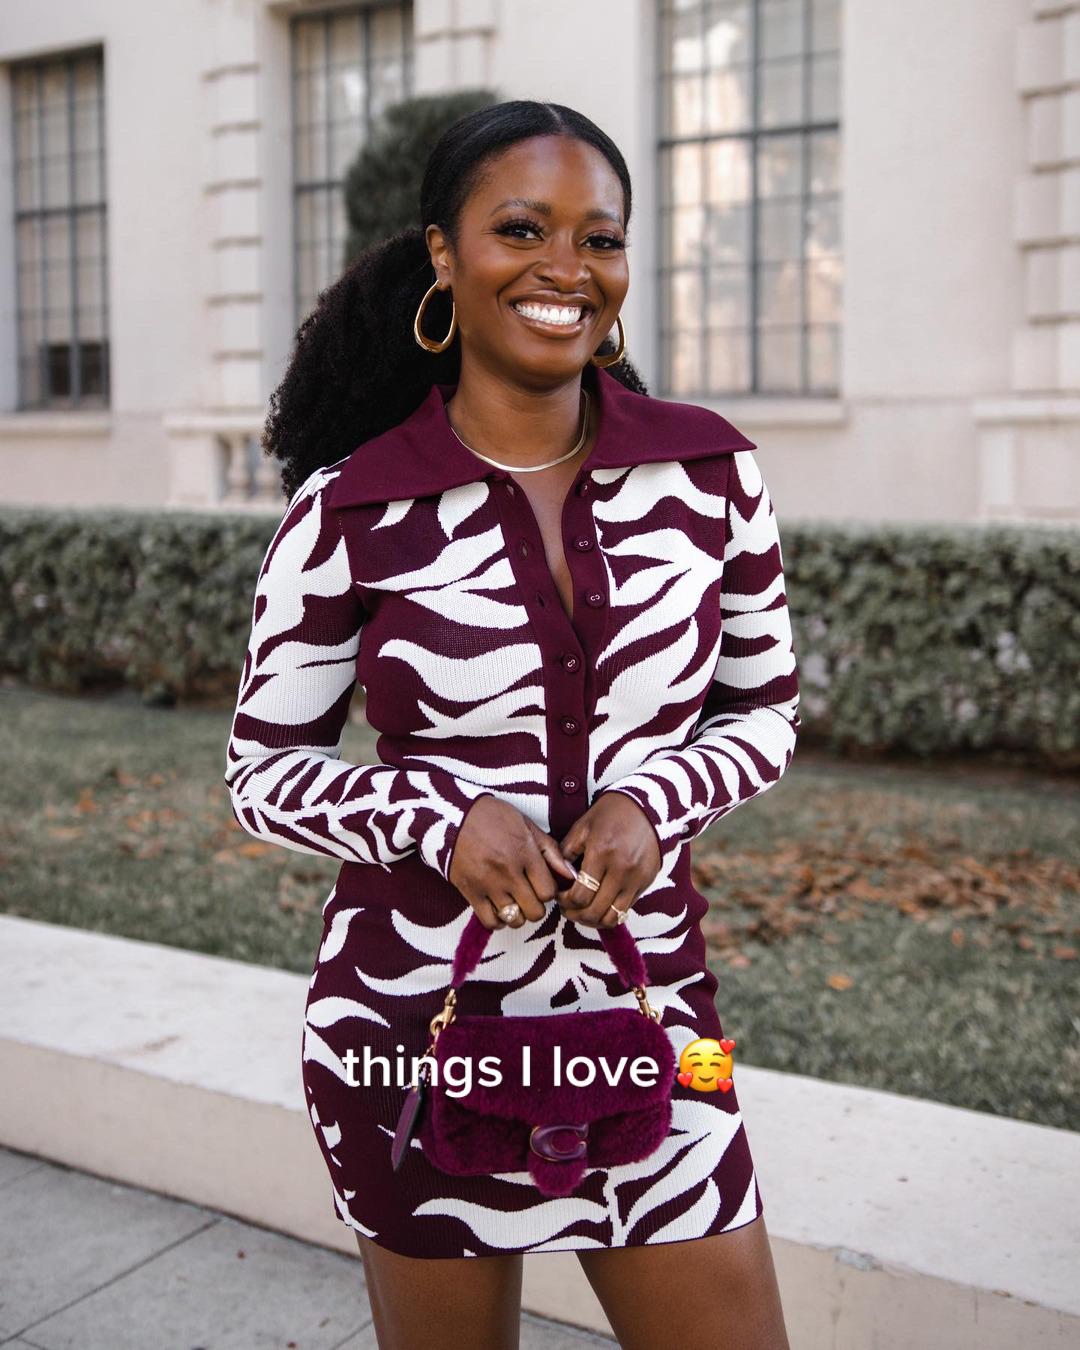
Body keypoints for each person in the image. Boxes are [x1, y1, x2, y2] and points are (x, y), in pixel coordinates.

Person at [224, 99, 797, 1350]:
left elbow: (765, 712)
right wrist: (438, 820)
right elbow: (262, 771)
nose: (565, 268)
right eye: (523, 230)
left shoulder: (712, 474)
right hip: (406, 1034)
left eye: (601, 238)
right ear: (444, 252)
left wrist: (657, 802)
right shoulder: (349, 509)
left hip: (662, 1014)